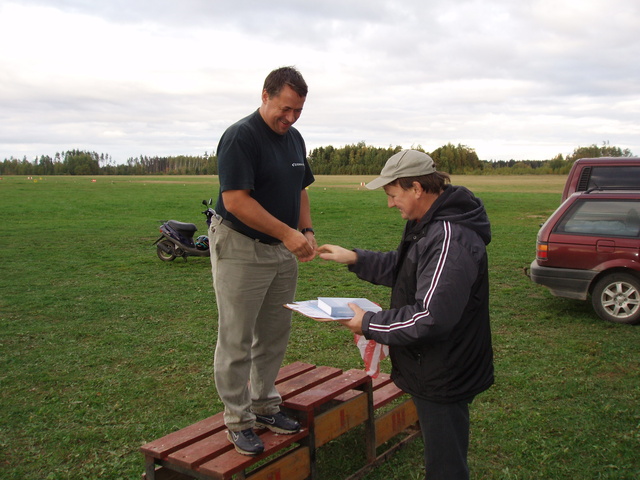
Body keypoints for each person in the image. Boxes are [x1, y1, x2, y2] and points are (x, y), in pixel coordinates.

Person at [318, 149, 494, 480]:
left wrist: (366, 324)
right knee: (443, 455)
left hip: (445, 371)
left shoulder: (448, 238)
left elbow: (431, 317)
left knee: (445, 467)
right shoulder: (426, 224)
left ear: (415, 187)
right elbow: (404, 270)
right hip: (435, 365)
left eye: (392, 194)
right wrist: (355, 258)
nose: (390, 203)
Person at [209, 66, 317, 456]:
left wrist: (304, 230)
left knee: (274, 332)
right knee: (237, 336)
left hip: (282, 249)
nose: (290, 118)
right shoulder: (241, 136)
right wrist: (287, 233)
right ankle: (238, 420)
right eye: (285, 109)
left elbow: (300, 189)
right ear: (265, 95)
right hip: (241, 245)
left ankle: (266, 405)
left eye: (298, 111)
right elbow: (236, 200)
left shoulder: (295, 139)